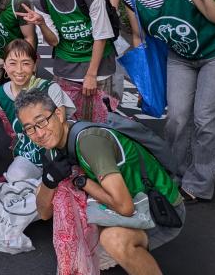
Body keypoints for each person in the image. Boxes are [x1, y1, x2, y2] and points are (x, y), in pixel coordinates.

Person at [16, 87, 184, 275]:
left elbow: (125, 207)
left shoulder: (89, 142)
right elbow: (44, 212)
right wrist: (49, 180)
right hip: (125, 203)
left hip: (160, 207)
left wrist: (82, 182)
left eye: (42, 122)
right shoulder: (54, 146)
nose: (39, 133)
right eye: (30, 128)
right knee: (55, 197)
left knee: (114, 241)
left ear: (59, 114)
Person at [121, 0, 215, 202]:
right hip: (180, 58)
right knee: (177, 118)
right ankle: (175, 172)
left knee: (206, 120)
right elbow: (139, 39)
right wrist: (144, 82)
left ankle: (199, 184)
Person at [21, 0, 119, 114]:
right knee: (68, 123)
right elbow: (54, 41)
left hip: (99, 68)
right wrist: (42, 23)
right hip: (66, 68)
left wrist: (91, 74)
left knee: (102, 124)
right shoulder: (41, 1)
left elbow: (101, 35)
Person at [0, 40, 74, 176]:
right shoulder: (0, 94)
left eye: (25, 63)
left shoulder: (50, 88)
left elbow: (62, 126)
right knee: (16, 176)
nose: (19, 70)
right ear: (4, 66)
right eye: (12, 63)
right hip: (28, 155)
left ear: (34, 65)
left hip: (56, 154)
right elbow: (14, 133)